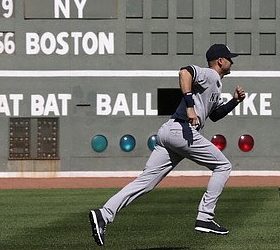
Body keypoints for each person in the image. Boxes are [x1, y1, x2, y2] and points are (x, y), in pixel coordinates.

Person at [89, 44, 246, 246]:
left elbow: (214, 115)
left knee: (145, 182)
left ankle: (104, 214)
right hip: (181, 131)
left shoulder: (216, 84)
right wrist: (190, 107)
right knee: (223, 166)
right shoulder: (209, 74)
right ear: (220, 61)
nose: (232, 61)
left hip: (169, 132)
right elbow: (185, 72)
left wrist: (234, 101)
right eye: (229, 58)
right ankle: (205, 217)